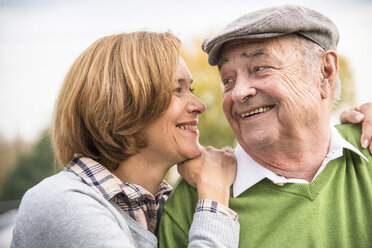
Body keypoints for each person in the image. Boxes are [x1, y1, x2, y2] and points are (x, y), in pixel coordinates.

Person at [158, 5, 372, 248]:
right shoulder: (196, 198)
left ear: (325, 72)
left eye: (260, 68)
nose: (238, 93)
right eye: (228, 80)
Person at [10, 31, 240, 248]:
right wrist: (214, 201)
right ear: (124, 105)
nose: (199, 105)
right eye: (176, 90)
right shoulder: (60, 203)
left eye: (190, 89)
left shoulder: (163, 209)